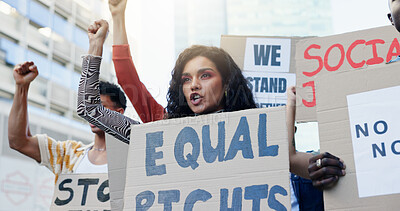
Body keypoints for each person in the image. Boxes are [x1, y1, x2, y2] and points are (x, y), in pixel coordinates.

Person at [78, 17, 345, 191]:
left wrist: (321, 167)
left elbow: (291, 162)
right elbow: (90, 108)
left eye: (205, 75)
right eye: (186, 79)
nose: (193, 85)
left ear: (227, 83)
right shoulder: (164, 135)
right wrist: (96, 44)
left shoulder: (256, 131)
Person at [8, 61, 131, 182]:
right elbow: (18, 142)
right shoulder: (69, 154)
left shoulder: (133, 159)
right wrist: (21, 87)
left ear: (118, 113)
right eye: (90, 107)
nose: (92, 113)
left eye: (100, 107)